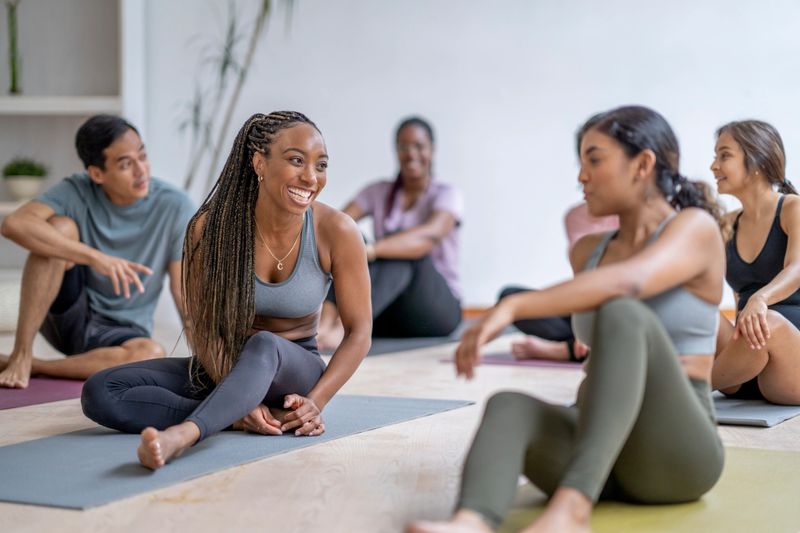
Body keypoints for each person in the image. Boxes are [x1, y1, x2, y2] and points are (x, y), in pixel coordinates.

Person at [408, 106, 725, 533]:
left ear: (643, 164)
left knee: (622, 310)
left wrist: (513, 307)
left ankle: (573, 511)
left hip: (678, 455)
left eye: (594, 160)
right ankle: (472, 520)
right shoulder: (587, 251)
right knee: (508, 406)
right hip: (603, 452)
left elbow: (630, 283)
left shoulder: (695, 228)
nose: (581, 176)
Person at [81, 111, 371, 469]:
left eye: (321, 165)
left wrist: (317, 401)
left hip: (295, 369)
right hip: (222, 366)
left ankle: (185, 433)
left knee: (262, 343)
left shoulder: (337, 231)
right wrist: (244, 403)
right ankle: (236, 414)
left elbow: (360, 332)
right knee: (101, 391)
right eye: (296, 160)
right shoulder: (210, 228)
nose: (311, 177)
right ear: (259, 163)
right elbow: (202, 326)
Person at [0, 115, 195, 389]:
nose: (142, 171)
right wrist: (96, 257)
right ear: (97, 174)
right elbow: (14, 224)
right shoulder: (77, 190)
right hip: (68, 315)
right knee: (60, 228)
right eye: (126, 164)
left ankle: (31, 364)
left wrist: (207, 358)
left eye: (143, 156)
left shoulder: (176, 207)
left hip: (121, 333)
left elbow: (182, 291)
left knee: (151, 353)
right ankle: (22, 352)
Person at [317, 117, 462, 349]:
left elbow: (428, 237)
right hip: (389, 309)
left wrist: (373, 250)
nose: (411, 154)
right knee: (349, 237)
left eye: (419, 146)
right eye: (404, 147)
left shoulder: (446, 194)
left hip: (436, 310)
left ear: (431, 150)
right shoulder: (378, 191)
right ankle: (324, 324)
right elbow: (335, 224)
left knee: (407, 253)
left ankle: (345, 330)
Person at [710, 120, 800, 405]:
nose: (714, 166)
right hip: (741, 367)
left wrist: (760, 299)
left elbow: (797, 269)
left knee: (769, 321)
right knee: (698, 311)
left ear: (757, 159)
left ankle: (683, 390)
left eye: (724, 155)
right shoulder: (725, 224)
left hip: (786, 368)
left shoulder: (793, 208)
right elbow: (735, 296)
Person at [499, 202, 618, 362]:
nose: (583, 178)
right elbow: (582, 277)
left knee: (624, 316)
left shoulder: (637, 215)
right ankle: (583, 343)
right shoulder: (575, 216)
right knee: (510, 297)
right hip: (584, 300)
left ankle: (566, 350)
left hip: (619, 305)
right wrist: (582, 322)